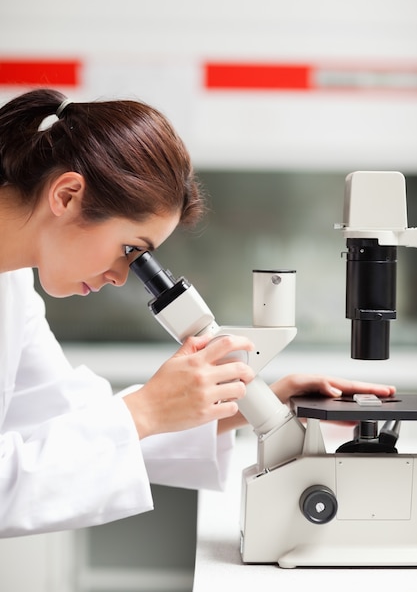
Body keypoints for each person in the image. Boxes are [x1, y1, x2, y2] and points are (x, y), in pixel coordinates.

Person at [0, 88, 395, 537]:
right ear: (68, 195)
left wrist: (261, 403)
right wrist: (147, 408)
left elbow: (68, 421)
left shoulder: (12, 286)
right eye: (131, 250)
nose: (121, 276)